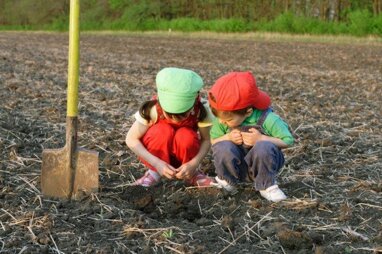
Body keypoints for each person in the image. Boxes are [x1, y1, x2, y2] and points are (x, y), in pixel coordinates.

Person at [208, 71, 294, 202]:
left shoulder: (268, 119)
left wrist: (261, 139)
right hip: (237, 166)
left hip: (265, 165)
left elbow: (288, 141)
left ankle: (267, 185)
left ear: (248, 112)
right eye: (219, 119)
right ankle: (228, 181)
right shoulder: (223, 119)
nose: (221, 122)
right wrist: (228, 137)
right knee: (223, 145)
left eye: (227, 120)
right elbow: (214, 141)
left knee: (263, 147)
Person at [125, 67, 216, 187]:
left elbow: (206, 139)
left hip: (185, 156)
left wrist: (194, 164)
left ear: (195, 99)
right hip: (158, 156)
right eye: (169, 114)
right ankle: (154, 173)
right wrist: (156, 163)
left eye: (183, 114)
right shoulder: (152, 109)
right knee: (161, 131)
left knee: (186, 135)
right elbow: (131, 139)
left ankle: (192, 174)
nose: (175, 119)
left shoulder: (202, 110)